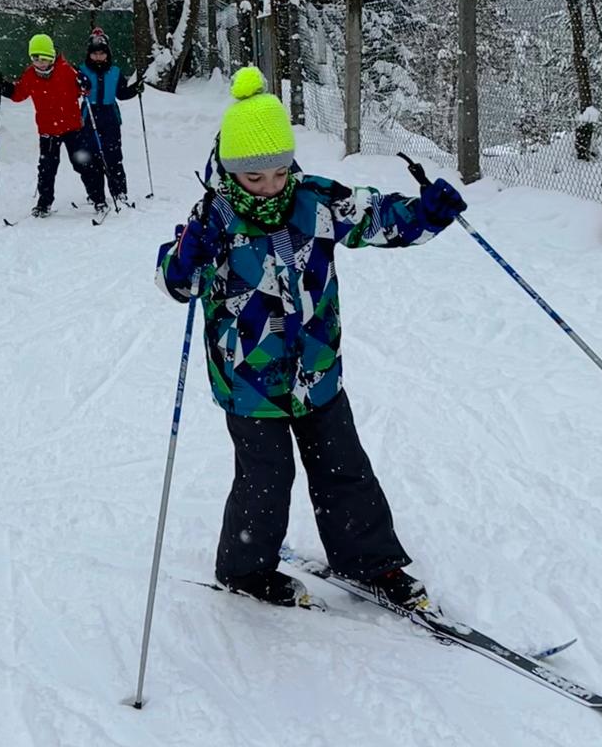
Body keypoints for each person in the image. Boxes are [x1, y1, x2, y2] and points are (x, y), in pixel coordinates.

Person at [155, 66, 467, 608]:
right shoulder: (214, 217)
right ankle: (245, 569)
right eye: (255, 177)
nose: (270, 186)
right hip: (249, 381)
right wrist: (186, 258)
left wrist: (424, 214)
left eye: (280, 172)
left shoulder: (314, 200)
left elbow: (374, 215)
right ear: (231, 170)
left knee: (344, 467)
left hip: (317, 368)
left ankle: (371, 562)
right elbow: (175, 281)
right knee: (265, 480)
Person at [0, 34, 107, 218]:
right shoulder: (30, 75)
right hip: (48, 130)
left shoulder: (66, 70)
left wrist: (85, 83)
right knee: (47, 168)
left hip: (72, 128)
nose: (40, 63)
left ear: (52, 57)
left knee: (83, 163)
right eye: (35, 59)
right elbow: (19, 94)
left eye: (44, 59)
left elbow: (84, 89)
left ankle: (98, 199)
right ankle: (44, 203)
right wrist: (6, 89)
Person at [78, 27, 142, 207]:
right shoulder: (81, 70)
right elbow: (72, 91)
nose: (98, 57)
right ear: (89, 54)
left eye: (102, 53)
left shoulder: (115, 71)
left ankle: (119, 191)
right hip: (89, 116)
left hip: (110, 117)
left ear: (107, 54)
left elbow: (121, 93)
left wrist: (135, 89)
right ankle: (95, 194)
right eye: (94, 54)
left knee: (113, 155)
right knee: (91, 158)